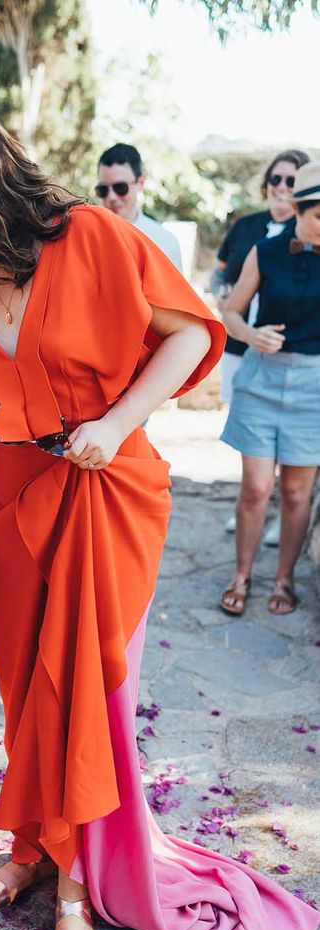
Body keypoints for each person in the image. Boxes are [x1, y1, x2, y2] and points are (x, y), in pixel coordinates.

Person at [0, 58, 320, 930]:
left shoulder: (89, 237)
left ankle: (76, 894)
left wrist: (116, 423)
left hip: (106, 495)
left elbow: (193, 330)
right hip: (7, 512)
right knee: (29, 695)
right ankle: (36, 847)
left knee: (86, 692)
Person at [219, 160, 320, 617]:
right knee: (257, 487)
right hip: (261, 378)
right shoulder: (265, 249)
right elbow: (232, 314)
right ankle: (241, 574)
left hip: (314, 386)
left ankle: (284, 578)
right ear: (299, 209)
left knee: (298, 494)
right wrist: (251, 335)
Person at [212, 149, 309, 544]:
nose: (281, 188)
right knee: (253, 437)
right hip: (241, 346)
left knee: (289, 447)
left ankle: (276, 516)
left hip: (293, 353)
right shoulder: (247, 227)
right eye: (276, 179)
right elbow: (219, 272)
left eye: (291, 181)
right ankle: (254, 502)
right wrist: (221, 296)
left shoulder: (308, 241)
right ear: (266, 184)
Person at [96, 143, 183, 270]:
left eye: (120, 188)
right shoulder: (86, 237)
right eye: (103, 189)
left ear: (140, 183)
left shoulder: (164, 242)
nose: (111, 197)